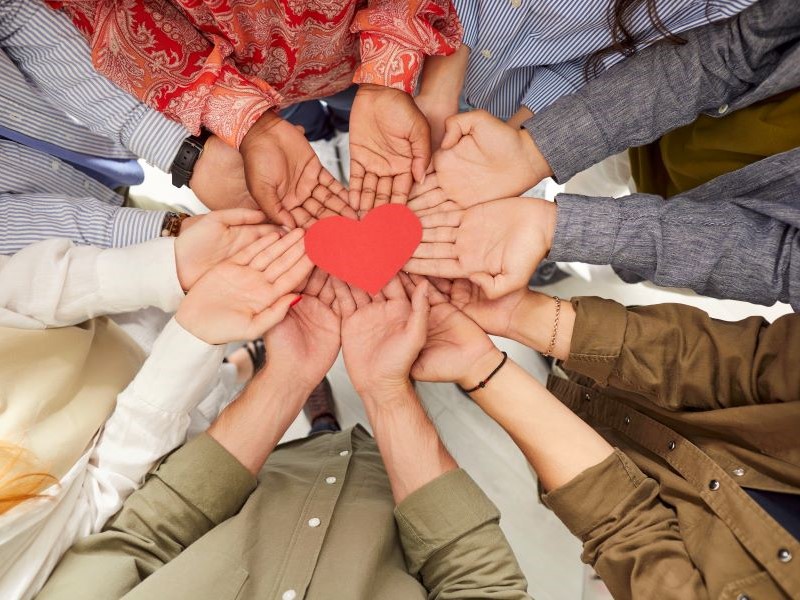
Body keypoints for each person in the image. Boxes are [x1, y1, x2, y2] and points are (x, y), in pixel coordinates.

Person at [35, 276, 530, 600]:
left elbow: (144, 536)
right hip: (402, 507)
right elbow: (478, 583)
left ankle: (323, 419)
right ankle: (358, 413)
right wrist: (389, 396)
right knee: (386, 448)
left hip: (273, 476)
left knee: (321, 436)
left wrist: (286, 379)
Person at [399, 273, 800, 600]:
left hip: (606, 471)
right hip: (662, 395)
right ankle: (557, 367)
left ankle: (545, 379)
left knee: (563, 412)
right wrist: (522, 316)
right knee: (594, 377)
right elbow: (751, 361)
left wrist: (484, 370)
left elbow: (625, 527)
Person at [406, 0, 800, 310]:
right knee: (583, 188)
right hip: (638, 124)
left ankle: (555, 257)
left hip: (703, 198)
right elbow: (725, 53)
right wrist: (531, 152)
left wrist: (560, 229)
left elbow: (778, 261)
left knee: (599, 242)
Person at [0, 212, 312, 600]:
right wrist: (196, 335)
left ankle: (242, 363)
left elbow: (13, 288)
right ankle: (242, 365)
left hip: (118, 309)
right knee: (235, 369)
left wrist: (169, 267)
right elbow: (97, 497)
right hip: (166, 408)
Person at [49, 0, 463, 225]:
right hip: (256, 84)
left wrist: (386, 73)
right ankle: (327, 132)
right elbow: (112, 15)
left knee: (350, 110)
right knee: (310, 123)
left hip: (358, 51)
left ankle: (339, 124)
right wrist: (248, 122)